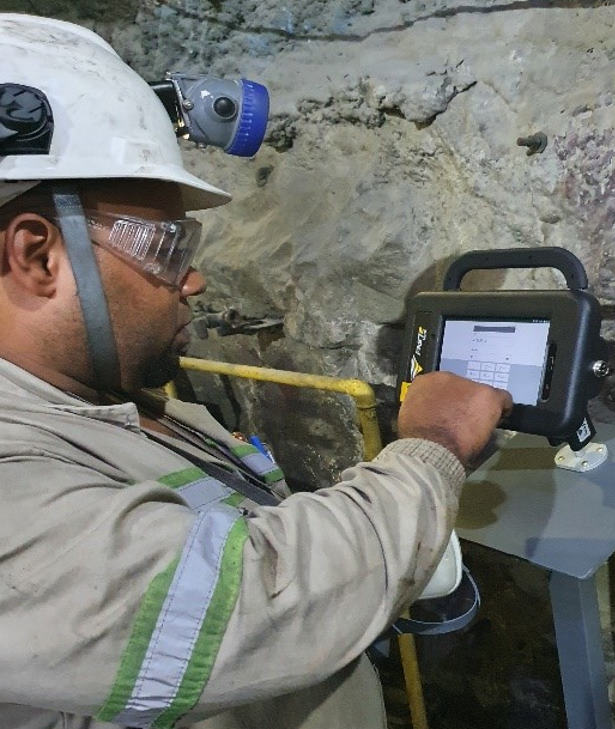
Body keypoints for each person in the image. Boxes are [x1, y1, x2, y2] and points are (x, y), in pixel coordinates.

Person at [0, 13, 512, 729]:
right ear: (37, 257)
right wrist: (433, 446)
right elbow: (251, 600)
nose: (195, 279)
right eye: (167, 246)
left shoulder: (114, 403)